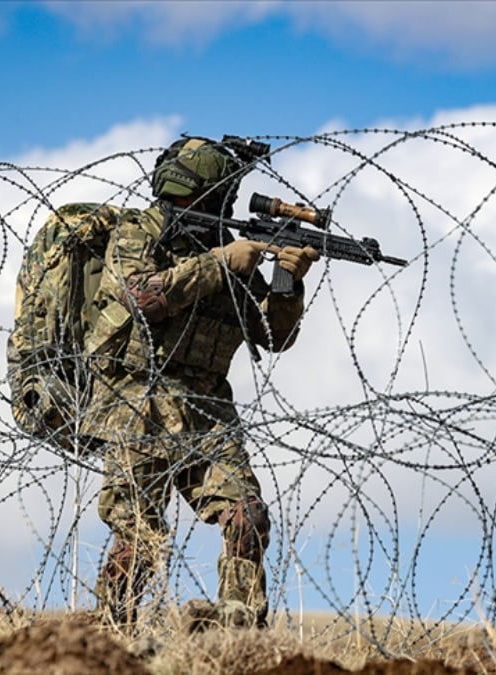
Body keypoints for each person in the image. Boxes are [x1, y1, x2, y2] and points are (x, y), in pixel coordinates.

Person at [80, 136, 319, 629]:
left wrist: (287, 281)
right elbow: (141, 296)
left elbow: (271, 335)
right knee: (141, 536)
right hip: (137, 399)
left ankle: (237, 631)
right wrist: (219, 263)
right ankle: (110, 634)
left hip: (207, 405)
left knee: (247, 515)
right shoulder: (138, 231)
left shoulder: (230, 245)